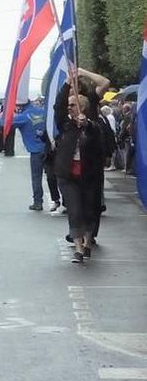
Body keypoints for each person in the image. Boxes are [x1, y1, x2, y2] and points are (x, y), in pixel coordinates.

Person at [54, 94, 105, 263]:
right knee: (74, 211)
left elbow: (94, 135)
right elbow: (59, 107)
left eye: (73, 105)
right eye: (68, 105)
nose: (69, 107)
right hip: (68, 176)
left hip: (89, 176)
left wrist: (86, 124)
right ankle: (78, 248)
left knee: (89, 210)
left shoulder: (93, 127)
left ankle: (88, 242)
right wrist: (67, 84)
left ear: (82, 107)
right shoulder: (65, 125)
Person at [11, 100, 48, 210]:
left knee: (36, 177)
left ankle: (38, 202)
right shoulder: (43, 111)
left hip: (35, 151)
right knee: (55, 177)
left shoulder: (23, 116)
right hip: (49, 148)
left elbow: (5, 122)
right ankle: (63, 201)